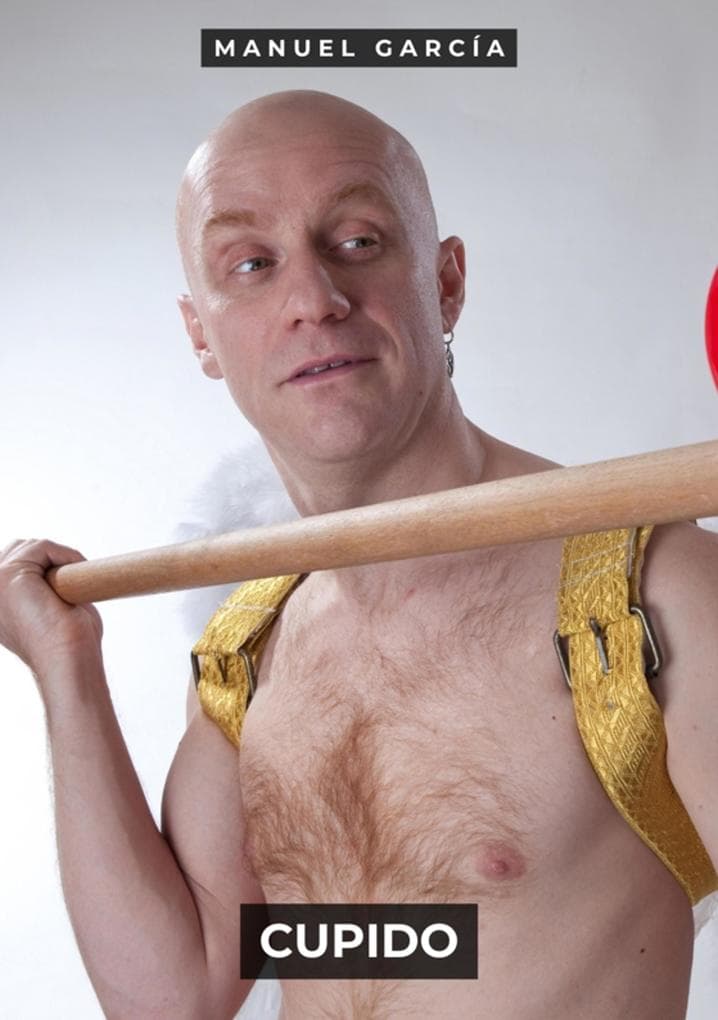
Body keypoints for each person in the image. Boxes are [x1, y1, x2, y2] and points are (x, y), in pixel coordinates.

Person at [1, 89, 716, 1019]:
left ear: (446, 281)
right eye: (252, 264)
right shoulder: (247, 649)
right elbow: (177, 995)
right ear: (200, 334)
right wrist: (65, 671)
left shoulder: (652, 596)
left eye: (357, 241)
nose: (314, 301)